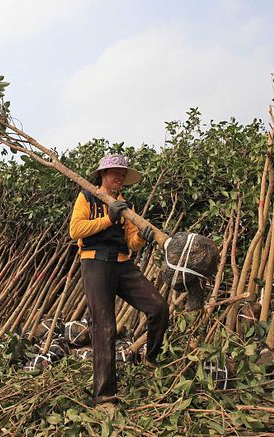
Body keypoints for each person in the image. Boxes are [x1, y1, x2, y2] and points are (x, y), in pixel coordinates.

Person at [69, 154, 169, 408]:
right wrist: (108, 218)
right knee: (104, 327)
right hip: (95, 262)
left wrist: (144, 237)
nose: (120, 179)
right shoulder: (87, 197)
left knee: (158, 307)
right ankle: (104, 396)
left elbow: (132, 243)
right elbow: (75, 230)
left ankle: (152, 358)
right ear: (103, 175)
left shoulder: (126, 206)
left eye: (123, 175)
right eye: (116, 174)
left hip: (122, 264)